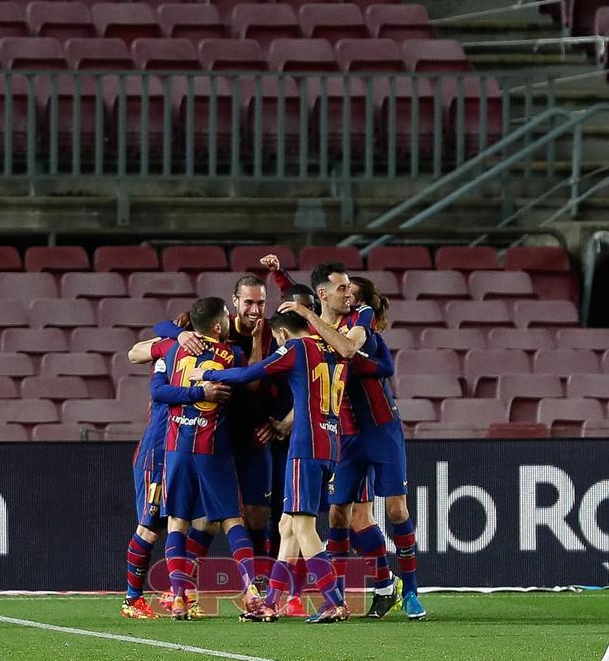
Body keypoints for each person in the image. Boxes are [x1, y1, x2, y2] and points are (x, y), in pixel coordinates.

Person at [278, 262, 426, 621]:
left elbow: (347, 350)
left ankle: (410, 591)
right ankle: (344, 597)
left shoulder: (361, 320)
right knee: (339, 514)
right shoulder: (320, 324)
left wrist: (305, 311)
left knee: (396, 511)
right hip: (343, 432)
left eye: (350, 291)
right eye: (341, 290)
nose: (347, 296)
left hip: (381, 429)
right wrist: (280, 276)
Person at [189, 310, 349, 624]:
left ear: (282, 335)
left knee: (303, 527)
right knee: (287, 527)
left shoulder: (296, 348)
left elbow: (251, 373)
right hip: (331, 442)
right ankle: (272, 603)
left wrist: (207, 375)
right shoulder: (333, 349)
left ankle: (334, 601)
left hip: (306, 446)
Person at [152, 275, 276, 584]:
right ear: (235, 303)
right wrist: (178, 335)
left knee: (256, 512)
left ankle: (257, 583)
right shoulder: (216, 325)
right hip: (215, 435)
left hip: (254, 432)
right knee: (209, 518)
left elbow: (266, 384)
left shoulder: (272, 331)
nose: (255, 310)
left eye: (260, 303)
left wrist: (280, 421)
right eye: (249, 303)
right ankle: (184, 584)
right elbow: (163, 328)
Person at [121, 332, 231, 621]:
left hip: (188, 451)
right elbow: (135, 354)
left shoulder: (209, 359)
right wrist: (174, 335)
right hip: (158, 453)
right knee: (151, 527)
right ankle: (132, 600)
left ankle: (176, 590)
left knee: (208, 523)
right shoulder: (168, 352)